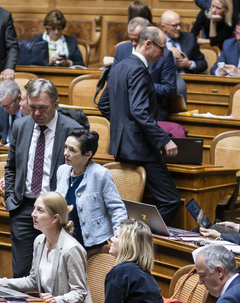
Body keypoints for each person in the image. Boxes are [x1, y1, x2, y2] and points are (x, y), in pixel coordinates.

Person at [97, 27, 182, 225]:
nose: (162, 54)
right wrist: (164, 140)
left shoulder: (119, 66)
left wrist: (123, 124)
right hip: (140, 148)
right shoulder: (138, 69)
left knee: (134, 201)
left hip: (120, 147)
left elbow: (103, 104)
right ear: (148, 44)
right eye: (161, 48)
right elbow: (139, 111)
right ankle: (144, 239)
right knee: (171, 200)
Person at [4, 79, 80, 277]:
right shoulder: (21, 126)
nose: (36, 113)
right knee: (21, 272)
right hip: (23, 208)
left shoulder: (73, 130)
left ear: (56, 104)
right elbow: (11, 166)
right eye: (32, 107)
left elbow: (80, 174)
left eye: (43, 108)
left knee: (53, 274)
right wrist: (11, 199)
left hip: (55, 212)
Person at [0, 191, 90, 303]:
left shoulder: (72, 249)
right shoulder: (39, 241)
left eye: (40, 210)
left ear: (55, 218)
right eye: (34, 208)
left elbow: (79, 292)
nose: (33, 214)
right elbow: (32, 281)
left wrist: (56, 300)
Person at [53, 127, 126, 254]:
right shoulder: (62, 171)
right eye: (65, 147)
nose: (65, 153)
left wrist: (120, 236)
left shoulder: (100, 174)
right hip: (64, 241)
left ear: (88, 154)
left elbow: (117, 208)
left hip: (92, 244)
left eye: (72, 150)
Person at [96, 219, 166, 303]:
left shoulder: (121, 272)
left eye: (117, 236)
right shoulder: (143, 273)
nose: (111, 239)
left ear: (127, 244)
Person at [113, 21, 180, 122]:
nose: (134, 43)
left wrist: (142, 83)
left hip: (153, 115)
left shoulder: (164, 55)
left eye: (137, 38)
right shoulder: (121, 50)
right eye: (131, 38)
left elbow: (170, 89)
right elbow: (112, 83)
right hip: (124, 115)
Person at [160, 10, 208, 75]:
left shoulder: (190, 38)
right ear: (164, 27)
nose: (179, 28)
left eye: (180, 24)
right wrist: (166, 51)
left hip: (188, 81)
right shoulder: (156, 40)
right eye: (174, 26)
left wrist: (189, 64)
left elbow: (203, 64)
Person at [0, 78, 24, 145]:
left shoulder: (28, 111)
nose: (5, 109)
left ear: (19, 99)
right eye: (3, 105)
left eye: (8, 106)